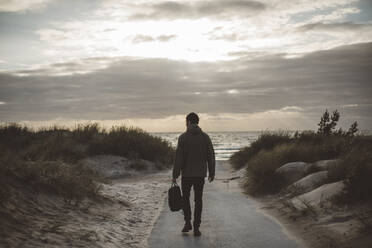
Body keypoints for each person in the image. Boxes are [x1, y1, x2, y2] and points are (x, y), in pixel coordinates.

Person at [172, 112, 215, 237]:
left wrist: (175, 174)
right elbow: (211, 156)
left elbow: (178, 158)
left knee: (185, 199)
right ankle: (196, 227)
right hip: (200, 174)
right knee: (198, 200)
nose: (185, 124)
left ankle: (187, 223)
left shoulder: (183, 138)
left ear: (189, 122)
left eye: (186, 122)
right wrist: (212, 172)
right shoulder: (205, 137)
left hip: (186, 175)